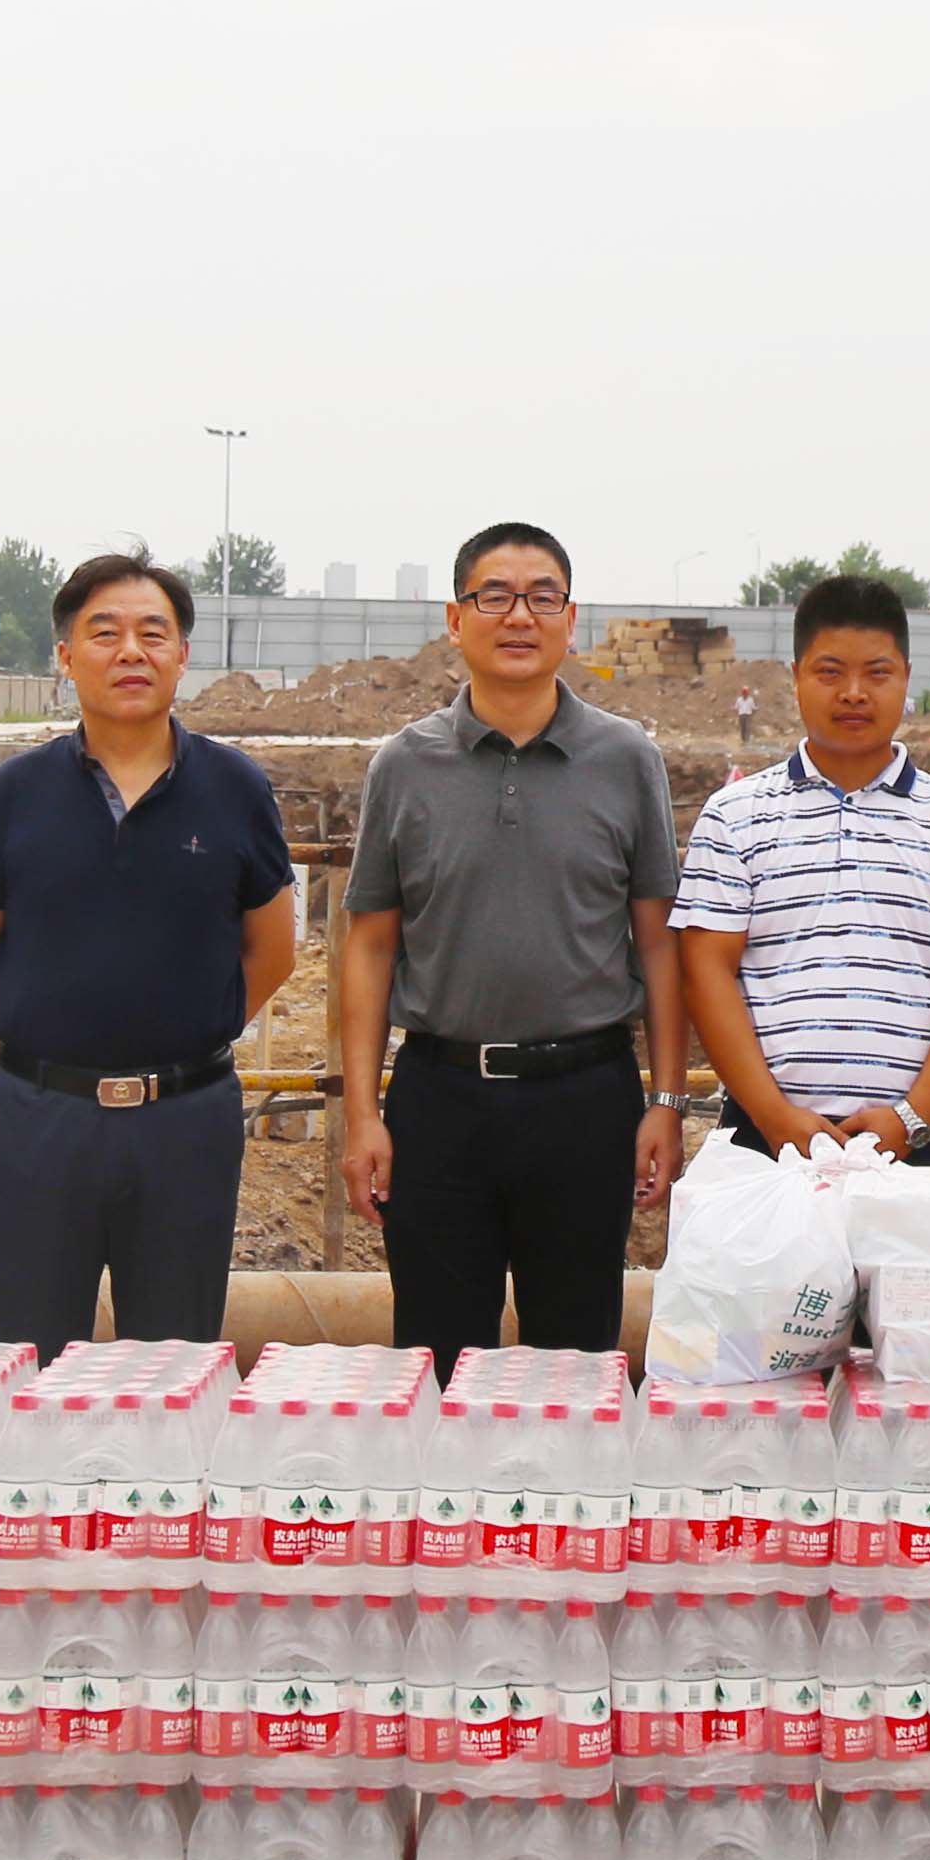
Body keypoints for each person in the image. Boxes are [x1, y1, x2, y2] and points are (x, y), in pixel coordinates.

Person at [336, 520, 685, 1375]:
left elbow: (659, 943)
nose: (519, 616)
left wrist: (667, 1100)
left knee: (575, 1360)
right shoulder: (404, 766)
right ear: (456, 621)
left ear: (572, 620)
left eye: (542, 598)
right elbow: (371, 947)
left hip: (586, 1101)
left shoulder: (626, 759)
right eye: (494, 596)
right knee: (437, 1360)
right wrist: (363, 1114)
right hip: (439, 1101)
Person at [0, 551, 300, 1350]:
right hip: (38, 1123)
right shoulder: (14, 793)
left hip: (186, 1124)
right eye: (104, 633)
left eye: (152, 633)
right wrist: (44, 1049)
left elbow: (273, 950)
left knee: (172, 1363)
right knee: (26, 1357)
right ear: (67, 657)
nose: (130, 651)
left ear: (183, 655)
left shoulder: (236, 789)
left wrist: (188, 1033)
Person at [676, 575, 930, 1160]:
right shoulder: (733, 817)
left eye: (877, 673)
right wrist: (774, 1116)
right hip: (764, 1142)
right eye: (830, 672)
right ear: (796, 678)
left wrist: (911, 1117)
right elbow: (706, 972)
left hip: (914, 1141)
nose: (854, 693)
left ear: (907, 678)